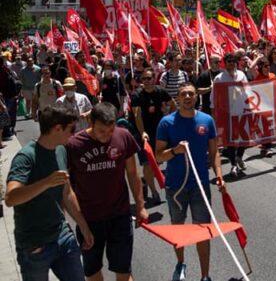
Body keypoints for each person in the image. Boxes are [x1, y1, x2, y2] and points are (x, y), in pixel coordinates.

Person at [5, 105, 94, 280]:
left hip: (63, 236)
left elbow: (67, 193)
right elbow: (11, 198)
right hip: (35, 245)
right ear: (57, 128)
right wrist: (46, 182)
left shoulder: (61, 150)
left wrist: (83, 226)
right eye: (71, 129)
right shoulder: (26, 157)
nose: (74, 133)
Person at [65, 103, 147, 281]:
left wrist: (140, 206)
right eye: (102, 131)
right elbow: (66, 188)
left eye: (111, 130)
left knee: (123, 270)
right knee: (92, 271)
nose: (107, 135)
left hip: (120, 215)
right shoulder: (73, 145)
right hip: (89, 219)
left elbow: (133, 173)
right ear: (90, 123)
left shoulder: (123, 136)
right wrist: (79, 222)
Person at [155, 82, 225, 281]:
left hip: (200, 185)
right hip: (175, 186)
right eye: (184, 94)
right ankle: (180, 263)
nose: (187, 97)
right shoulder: (166, 123)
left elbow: (214, 153)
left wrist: (218, 174)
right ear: (178, 97)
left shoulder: (207, 121)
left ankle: (205, 275)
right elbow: (159, 157)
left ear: (196, 97)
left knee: (203, 230)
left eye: (191, 94)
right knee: (178, 229)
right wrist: (175, 151)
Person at [131, 68, 174, 202]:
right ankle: (154, 191)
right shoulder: (137, 94)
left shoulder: (160, 92)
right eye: (144, 79)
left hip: (159, 131)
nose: (147, 81)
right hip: (143, 132)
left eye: (149, 78)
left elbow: (173, 105)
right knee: (148, 163)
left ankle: (146, 177)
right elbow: (137, 115)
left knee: (158, 160)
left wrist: (168, 114)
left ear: (154, 79)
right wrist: (142, 131)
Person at [212, 53, 251, 177]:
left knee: (244, 137)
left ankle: (239, 156)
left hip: (241, 110)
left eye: (234, 62)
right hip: (227, 113)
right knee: (230, 140)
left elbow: (248, 91)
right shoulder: (219, 78)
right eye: (229, 62)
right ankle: (233, 165)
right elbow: (214, 96)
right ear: (225, 63)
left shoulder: (241, 75)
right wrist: (214, 112)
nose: (232, 64)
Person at [20, 55, 41, 119]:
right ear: (27, 62)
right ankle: (28, 113)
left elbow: (40, 78)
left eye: (31, 61)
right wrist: (21, 89)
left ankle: (34, 113)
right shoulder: (23, 70)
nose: (30, 62)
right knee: (28, 101)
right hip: (26, 88)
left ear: (33, 61)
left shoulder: (37, 69)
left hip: (35, 88)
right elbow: (21, 79)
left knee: (35, 101)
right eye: (29, 61)